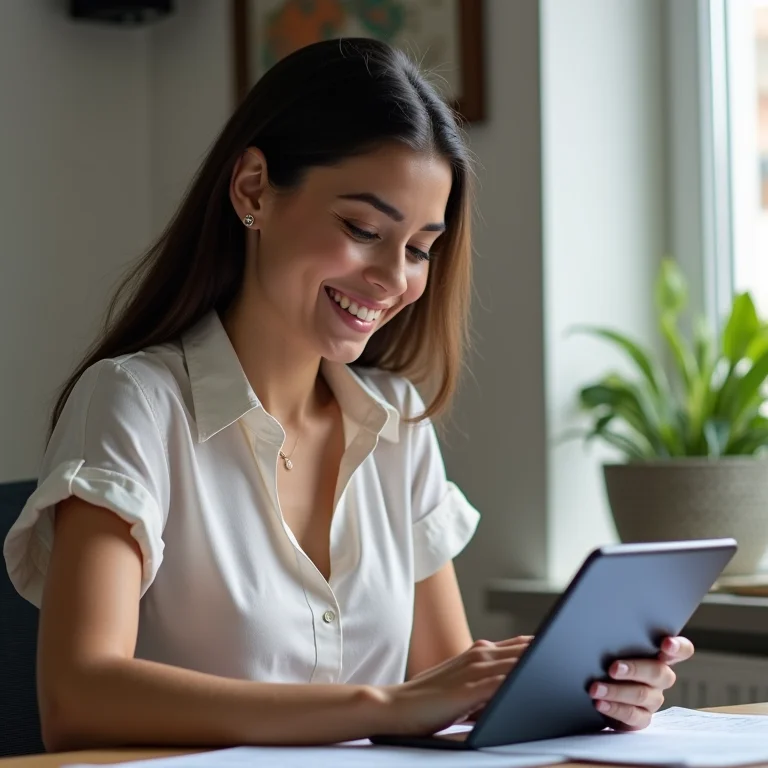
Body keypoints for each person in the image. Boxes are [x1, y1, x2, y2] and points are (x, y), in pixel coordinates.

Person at [3, 38, 692, 751]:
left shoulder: (398, 426)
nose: (394, 278)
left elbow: (447, 700)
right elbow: (79, 695)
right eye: (363, 229)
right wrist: (382, 704)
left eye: (421, 247)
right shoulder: (133, 404)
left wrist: (588, 693)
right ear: (252, 190)